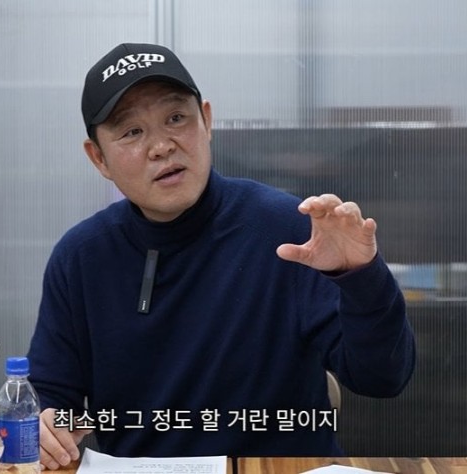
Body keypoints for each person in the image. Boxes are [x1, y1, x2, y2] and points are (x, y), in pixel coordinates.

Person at [28, 43, 415, 470]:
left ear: (207, 121)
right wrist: (47, 425)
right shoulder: (81, 257)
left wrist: (361, 277)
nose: (161, 146)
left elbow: (383, 378)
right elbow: (54, 398)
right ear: (98, 158)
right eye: (132, 132)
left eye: (176, 118)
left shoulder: (290, 231)